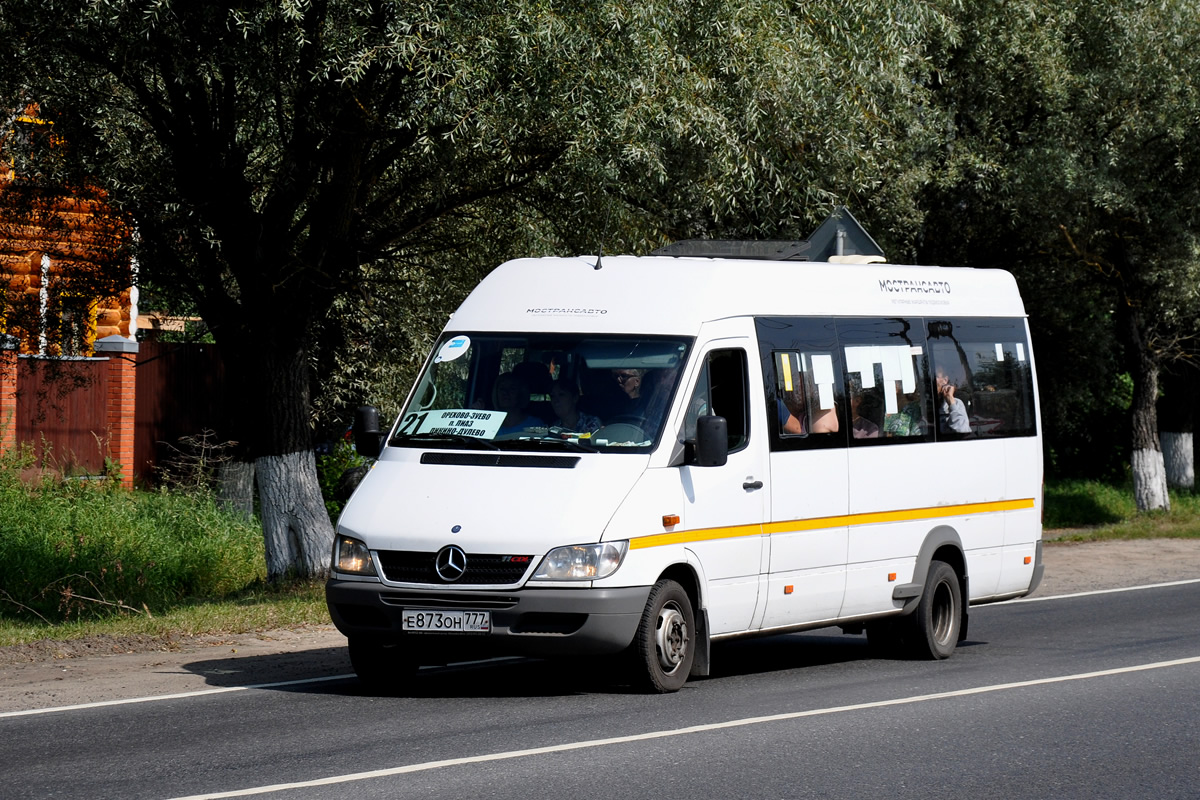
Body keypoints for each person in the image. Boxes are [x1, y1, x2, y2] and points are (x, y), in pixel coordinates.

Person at [936, 366, 971, 434]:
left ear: (945, 380)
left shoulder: (956, 403)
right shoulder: (918, 407)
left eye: (935, 376)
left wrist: (951, 402)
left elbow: (963, 431)